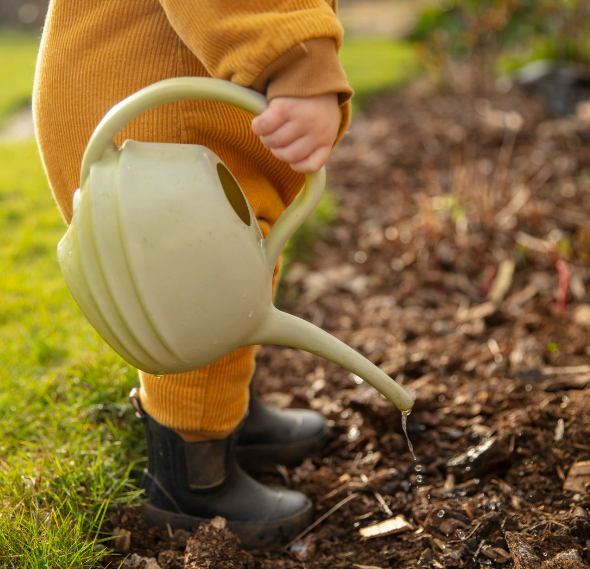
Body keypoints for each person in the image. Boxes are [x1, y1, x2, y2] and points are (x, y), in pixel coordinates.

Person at [33, 0, 353, 548]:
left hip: (167, 84)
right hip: (164, 104)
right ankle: (192, 475)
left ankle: (230, 415)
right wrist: (297, 61)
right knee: (195, 285)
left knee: (237, 257)